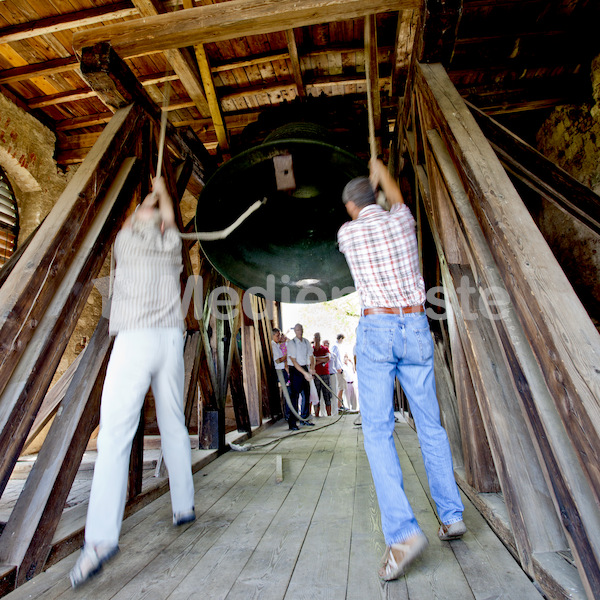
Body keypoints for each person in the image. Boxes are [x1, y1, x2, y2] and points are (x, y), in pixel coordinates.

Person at [337, 158, 465, 581]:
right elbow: (396, 199)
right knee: (430, 426)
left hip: (377, 329)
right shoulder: (403, 219)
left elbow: (367, 212)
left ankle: (404, 533)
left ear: (350, 208)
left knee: (377, 432)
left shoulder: (348, 234)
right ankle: (451, 516)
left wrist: (370, 191)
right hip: (414, 325)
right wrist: (381, 173)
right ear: (375, 197)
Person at [70, 177, 196, 588]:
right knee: (174, 423)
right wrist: (163, 192)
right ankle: (184, 505)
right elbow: (169, 222)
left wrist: (152, 196)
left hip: (137, 339)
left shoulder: (127, 241)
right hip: (169, 339)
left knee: (115, 438)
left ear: (143, 221)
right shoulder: (173, 247)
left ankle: (101, 540)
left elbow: (130, 220)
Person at [286, 323, 315, 428]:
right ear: (295, 331)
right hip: (295, 370)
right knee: (295, 396)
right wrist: (305, 373)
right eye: (298, 330)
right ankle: (292, 423)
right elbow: (293, 361)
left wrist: (312, 368)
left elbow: (311, 356)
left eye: (301, 329)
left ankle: (305, 418)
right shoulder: (292, 343)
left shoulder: (306, 342)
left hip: (304, 367)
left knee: (306, 395)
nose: (300, 331)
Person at [272, 327, 290, 420]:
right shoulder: (273, 346)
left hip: (283, 370)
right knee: (287, 393)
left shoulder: (277, 345)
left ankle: (288, 414)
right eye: (277, 335)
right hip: (280, 371)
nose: (279, 337)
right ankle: (287, 415)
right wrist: (287, 355)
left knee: (287, 393)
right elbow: (278, 361)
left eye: (279, 335)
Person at [312, 332, 332, 416]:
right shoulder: (311, 350)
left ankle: (329, 414)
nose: (317, 339)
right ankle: (316, 414)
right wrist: (321, 360)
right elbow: (311, 361)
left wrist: (316, 359)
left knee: (327, 394)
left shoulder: (325, 349)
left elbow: (327, 358)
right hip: (316, 375)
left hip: (325, 374)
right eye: (315, 337)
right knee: (316, 396)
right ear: (313, 339)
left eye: (318, 337)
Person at [331, 333, 347, 410]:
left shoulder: (339, 347)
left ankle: (340, 404)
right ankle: (339, 405)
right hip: (338, 369)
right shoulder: (335, 347)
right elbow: (334, 357)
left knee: (342, 387)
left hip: (341, 368)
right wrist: (338, 368)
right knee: (340, 387)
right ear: (340, 339)